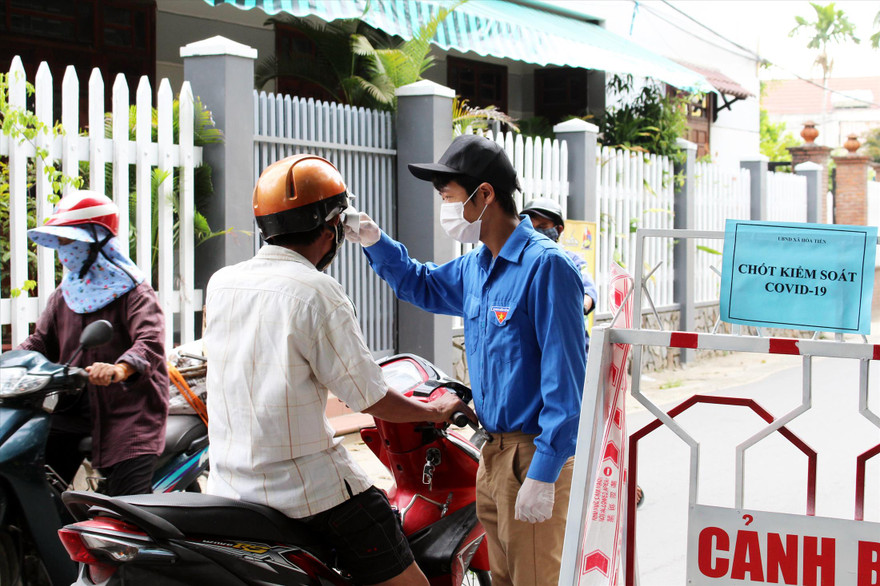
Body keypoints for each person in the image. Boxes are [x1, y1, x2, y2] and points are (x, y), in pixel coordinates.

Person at [203, 154, 476, 586]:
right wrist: (435, 411)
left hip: (230, 486)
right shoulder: (317, 292)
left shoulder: (223, 283)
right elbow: (370, 397)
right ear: (332, 228)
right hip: (309, 492)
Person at [345, 135, 587, 586]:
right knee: (502, 579)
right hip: (491, 452)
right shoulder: (476, 266)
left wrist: (545, 471)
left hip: (533, 451)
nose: (444, 208)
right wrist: (376, 242)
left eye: (448, 196)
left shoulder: (547, 267)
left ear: (485, 194)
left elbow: (566, 383)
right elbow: (420, 284)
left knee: (534, 579)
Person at [18, 190, 169, 496]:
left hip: (129, 416)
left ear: (97, 240)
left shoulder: (134, 292)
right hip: (73, 411)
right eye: (60, 241)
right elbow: (38, 342)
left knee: (129, 512)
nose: (63, 250)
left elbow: (150, 342)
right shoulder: (65, 295)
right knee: (31, 484)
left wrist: (119, 369)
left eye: (68, 240)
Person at [522, 198, 598, 356]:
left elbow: (588, 291)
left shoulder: (571, 261)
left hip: (566, 345)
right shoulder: (519, 261)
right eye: (532, 226)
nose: (536, 231)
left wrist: (578, 307)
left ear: (558, 229)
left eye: (543, 226)